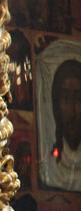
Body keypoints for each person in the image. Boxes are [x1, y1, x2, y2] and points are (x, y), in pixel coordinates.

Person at [40, 58, 81, 191]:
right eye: (65, 98)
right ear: (56, 104)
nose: (72, 111)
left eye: (78, 99)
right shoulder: (48, 165)